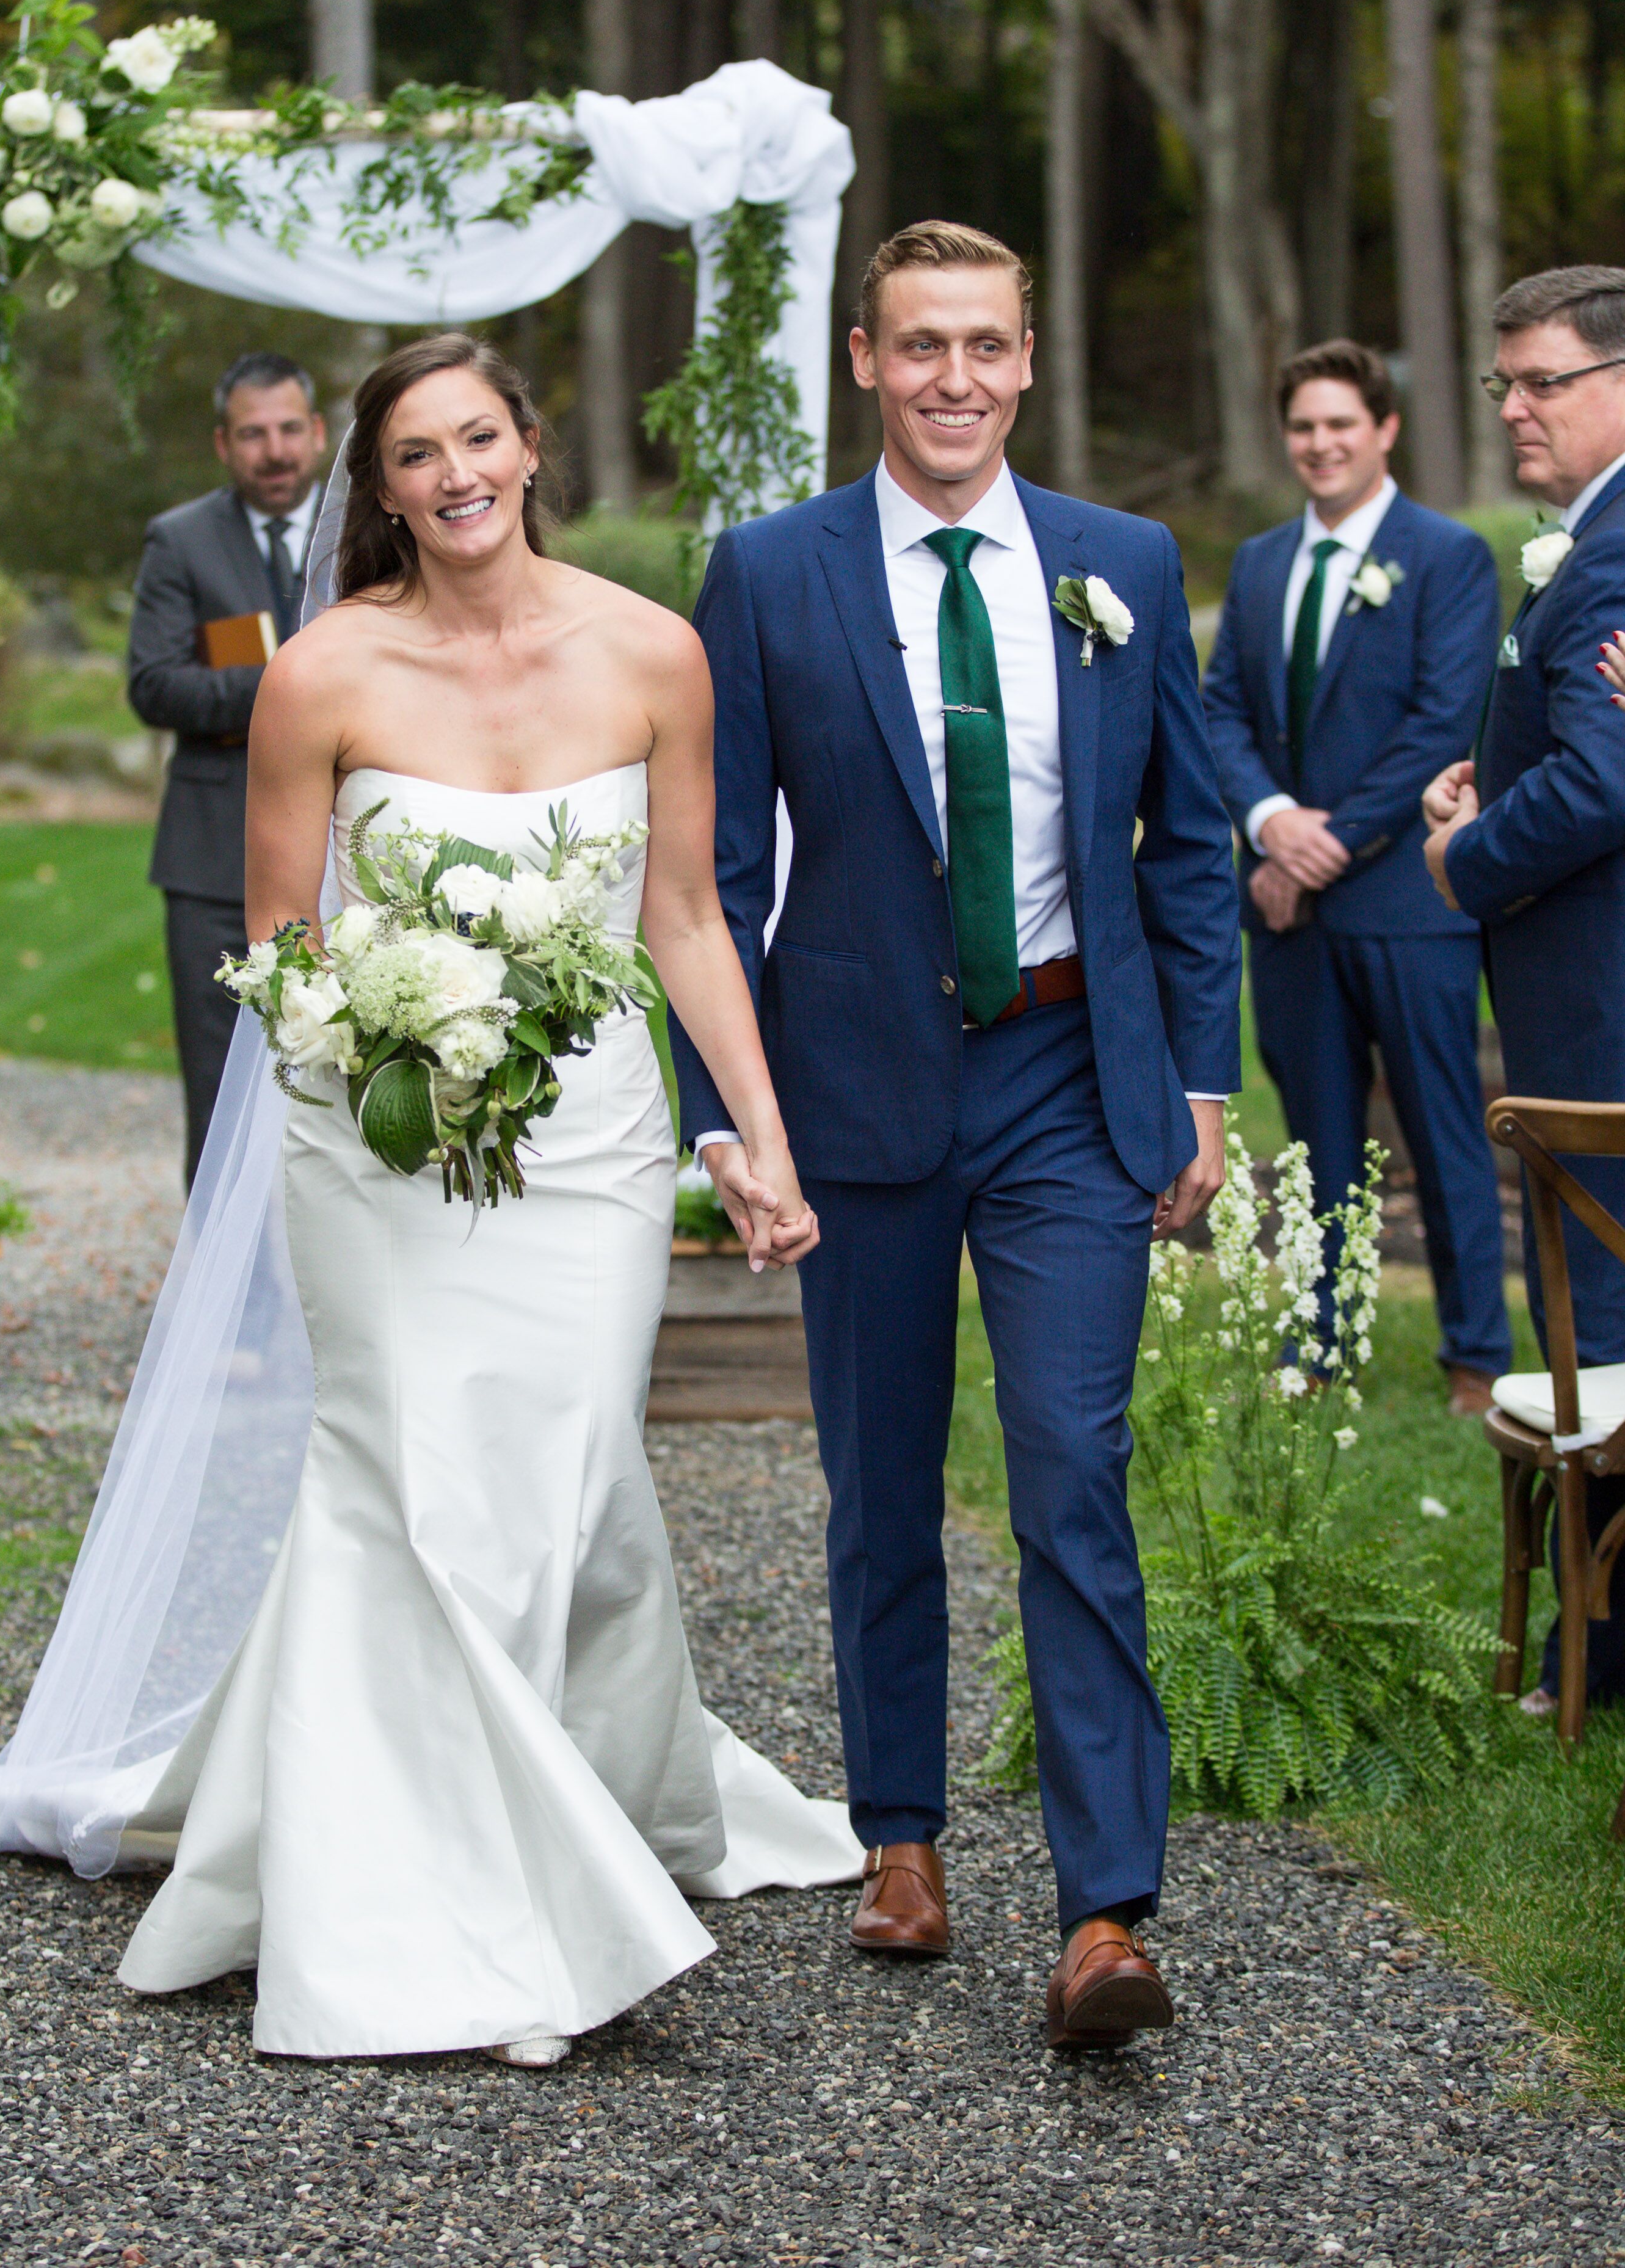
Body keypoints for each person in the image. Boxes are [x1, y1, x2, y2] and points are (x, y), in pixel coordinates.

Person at [101, 330, 862, 2065]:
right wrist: (394, 1043)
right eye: (415, 453)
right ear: (378, 489)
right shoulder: (323, 673)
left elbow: (680, 917)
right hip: (373, 1148)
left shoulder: (652, 650)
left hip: (588, 1145)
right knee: (414, 1488)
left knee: (565, 1475)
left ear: (532, 446)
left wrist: (758, 1131)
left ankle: (536, 1796)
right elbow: (278, 948)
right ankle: (470, 1898)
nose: (453, 473)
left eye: (479, 437)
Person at [672, 220, 1240, 2048]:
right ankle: (899, 1833)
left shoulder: (1123, 561)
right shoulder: (766, 575)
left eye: (986, 345)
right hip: (856, 1094)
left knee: (1072, 1467)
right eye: (920, 345)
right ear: (864, 359)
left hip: (1074, 1082)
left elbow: (1192, 836)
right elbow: (709, 877)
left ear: (1023, 358)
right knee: (881, 1481)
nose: (956, 380)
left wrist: (1202, 1078)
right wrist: (727, 1125)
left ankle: (1103, 1909)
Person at [1201, 340, 1508, 1415]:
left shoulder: (1447, 556)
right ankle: (1322, 1341)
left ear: (1383, 430)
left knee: (1441, 1128)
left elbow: (1442, 720)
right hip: (1285, 910)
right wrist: (1273, 823)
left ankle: (1476, 1353)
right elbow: (1219, 710)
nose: (1320, 444)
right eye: (1302, 427)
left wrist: (1326, 848)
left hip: (1405, 903)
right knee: (1316, 1136)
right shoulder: (1257, 565)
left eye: (1340, 424)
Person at [1424, 264, 1625, 1718]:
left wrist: (1460, 854)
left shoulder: (1612, 560)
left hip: (1602, 1013)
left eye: (1538, 380)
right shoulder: (1585, 545)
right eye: (1502, 382)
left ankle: (1595, 1655)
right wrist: (1485, 785)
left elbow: (1607, 783)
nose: (1510, 408)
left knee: (1604, 1321)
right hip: (1579, 996)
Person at [128, 354, 330, 1183]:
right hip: (212, 859)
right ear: (223, 444)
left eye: (288, 429)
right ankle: (227, 1310)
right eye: (252, 434)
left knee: (340, 1084)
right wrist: (293, 679)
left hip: (342, 853)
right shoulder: (181, 540)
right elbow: (154, 683)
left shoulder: (372, 530)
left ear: (317, 433)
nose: (274, 451)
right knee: (220, 1098)